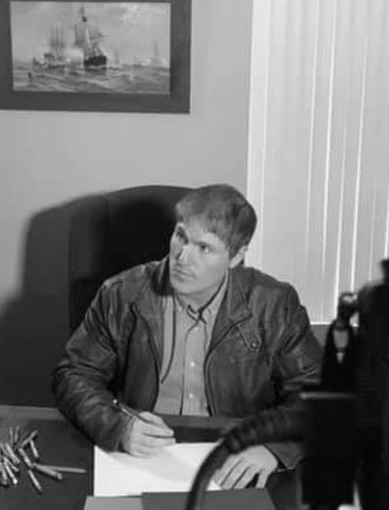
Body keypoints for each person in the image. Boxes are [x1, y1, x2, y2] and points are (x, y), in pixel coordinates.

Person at [52, 184, 323, 490]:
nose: (182, 258)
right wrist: (117, 425)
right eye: (181, 236)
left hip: (234, 462)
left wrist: (275, 447)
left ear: (236, 256)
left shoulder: (274, 305)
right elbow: (73, 374)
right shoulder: (121, 293)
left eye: (204, 248)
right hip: (140, 456)